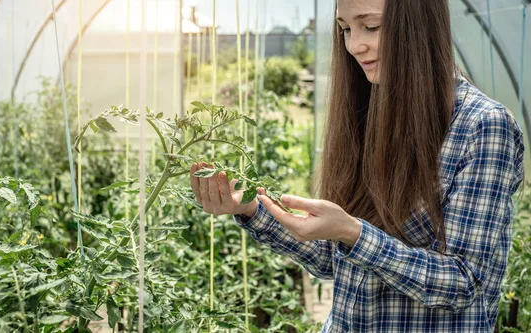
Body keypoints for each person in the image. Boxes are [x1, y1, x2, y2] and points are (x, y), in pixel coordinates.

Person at [189, 0, 525, 331]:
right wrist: (252, 210)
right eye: (345, 28)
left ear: (420, 23)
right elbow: (335, 261)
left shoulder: (481, 126)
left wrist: (353, 231)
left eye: (372, 26)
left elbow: (464, 282)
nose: (354, 45)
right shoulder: (370, 106)